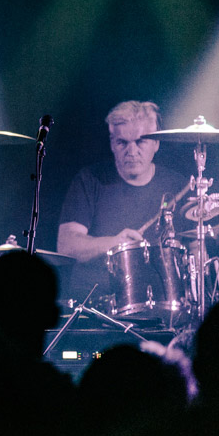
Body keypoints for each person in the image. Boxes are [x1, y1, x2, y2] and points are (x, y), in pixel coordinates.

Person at [55, 100, 189, 303]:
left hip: (160, 304)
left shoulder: (178, 186)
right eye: (122, 143)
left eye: (140, 141)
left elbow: (195, 250)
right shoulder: (90, 180)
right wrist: (116, 243)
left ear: (156, 144)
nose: (132, 151)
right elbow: (66, 245)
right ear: (112, 144)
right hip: (94, 305)